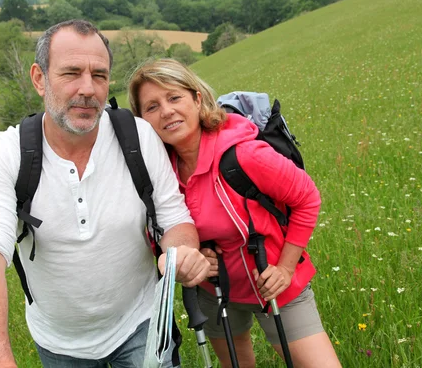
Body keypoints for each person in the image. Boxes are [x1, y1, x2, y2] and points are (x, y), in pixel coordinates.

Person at [0, 21, 210, 368]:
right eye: (71, 73)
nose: (88, 89)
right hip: (58, 342)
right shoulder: (6, 153)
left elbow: (175, 219)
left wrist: (180, 253)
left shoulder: (138, 137)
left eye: (100, 75)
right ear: (39, 78)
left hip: (142, 324)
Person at [127, 58, 342, 368]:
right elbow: (157, 234)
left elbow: (307, 198)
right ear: (142, 121)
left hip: (275, 285)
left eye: (174, 97)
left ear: (197, 98)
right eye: (151, 107)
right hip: (215, 292)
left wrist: (285, 268)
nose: (166, 111)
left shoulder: (244, 154)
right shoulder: (157, 174)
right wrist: (195, 252)